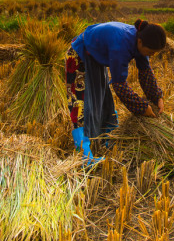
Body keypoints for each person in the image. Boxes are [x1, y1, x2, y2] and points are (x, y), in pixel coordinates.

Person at [65, 19, 167, 163]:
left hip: (95, 57)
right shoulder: (121, 45)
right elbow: (119, 85)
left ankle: (105, 139)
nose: (151, 55)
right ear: (140, 42)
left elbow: (146, 73)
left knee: (103, 99)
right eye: (150, 52)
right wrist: (142, 107)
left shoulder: (140, 41)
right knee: (80, 103)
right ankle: (84, 155)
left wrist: (157, 98)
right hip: (79, 55)